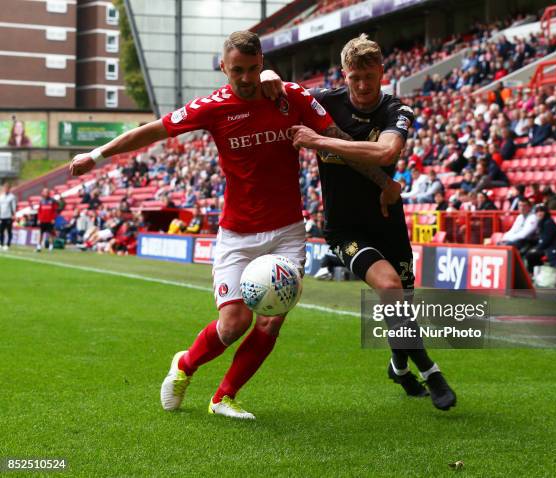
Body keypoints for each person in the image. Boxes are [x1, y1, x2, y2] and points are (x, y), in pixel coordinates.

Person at [70, 31, 399, 420]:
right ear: (223, 68)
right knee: (233, 324)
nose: (245, 78)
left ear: (262, 63)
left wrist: (384, 184)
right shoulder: (212, 107)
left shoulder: (288, 95)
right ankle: (185, 366)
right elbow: (153, 130)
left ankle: (223, 396)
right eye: (237, 70)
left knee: (271, 320)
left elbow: (335, 139)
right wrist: (96, 154)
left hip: (287, 232)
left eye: (253, 68)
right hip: (238, 234)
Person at [263, 34, 456, 410]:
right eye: (355, 78)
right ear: (344, 75)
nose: (363, 86)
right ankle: (432, 372)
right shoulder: (322, 100)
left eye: (370, 76)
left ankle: (399, 367)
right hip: (343, 226)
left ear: (382, 72)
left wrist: (320, 142)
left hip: (387, 220)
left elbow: (386, 151)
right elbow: (274, 87)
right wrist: (270, 71)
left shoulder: (396, 110)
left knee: (402, 306)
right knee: (389, 287)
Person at [525, 204, 556, 274]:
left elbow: (546, 240)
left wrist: (536, 248)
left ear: (546, 212)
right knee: (527, 250)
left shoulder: (549, 223)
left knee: (531, 254)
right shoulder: (542, 222)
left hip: (553, 248)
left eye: (541, 211)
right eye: (537, 211)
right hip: (547, 246)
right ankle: (534, 273)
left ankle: (532, 273)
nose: (539, 213)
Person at [0, 182, 16, 250]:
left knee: (9, 231)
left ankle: (8, 244)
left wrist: (13, 214)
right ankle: (1, 243)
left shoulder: (12, 197)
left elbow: (13, 206)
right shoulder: (1, 197)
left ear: (9, 189)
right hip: (2, 216)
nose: (6, 189)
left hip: (9, 216)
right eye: (5, 188)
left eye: (7, 188)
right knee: (1, 231)